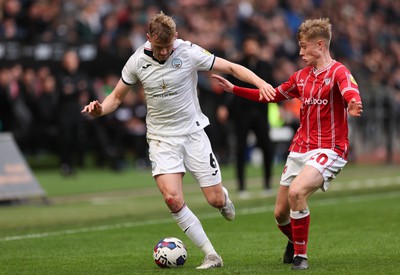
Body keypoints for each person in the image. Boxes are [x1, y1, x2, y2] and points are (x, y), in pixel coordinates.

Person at [81, 11, 275, 269]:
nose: (164, 52)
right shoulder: (136, 61)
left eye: (168, 46)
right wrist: (99, 110)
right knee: (172, 198)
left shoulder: (188, 51)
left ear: (176, 37)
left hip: (193, 134)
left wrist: (260, 82)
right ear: (149, 37)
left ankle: (224, 198)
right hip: (162, 139)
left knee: (214, 200)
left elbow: (230, 67)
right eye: (160, 47)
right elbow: (116, 97)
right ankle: (211, 254)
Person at [212, 18, 363, 270]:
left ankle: (301, 257)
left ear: (320, 44)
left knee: (297, 193)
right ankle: (295, 241)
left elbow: (350, 90)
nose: (301, 52)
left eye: (304, 47)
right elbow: (271, 94)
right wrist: (234, 89)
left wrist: (353, 103)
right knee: (280, 214)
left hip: (329, 148)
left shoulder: (339, 72)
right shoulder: (301, 77)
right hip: (300, 148)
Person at [226, 37, 275, 197]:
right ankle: (241, 187)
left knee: (267, 147)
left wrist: (279, 107)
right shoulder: (237, 66)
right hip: (242, 113)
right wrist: (224, 107)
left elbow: (273, 86)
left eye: (253, 46)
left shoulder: (265, 65)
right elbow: (228, 88)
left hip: (261, 112)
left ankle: (268, 184)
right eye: (248, 46)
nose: (251, 49)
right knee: (240, 149)